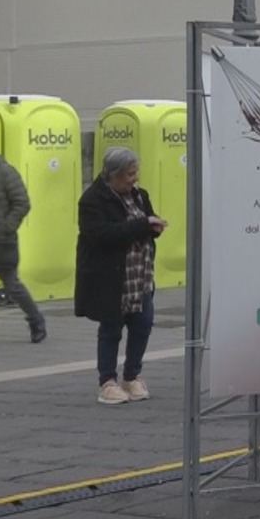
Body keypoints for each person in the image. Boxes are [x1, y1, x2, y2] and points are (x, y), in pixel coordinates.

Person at [75, 147, 164, 404]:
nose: (133, 179)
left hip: (141, 277)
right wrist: (143, 225)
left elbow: (143, 224)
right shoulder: (92, 200)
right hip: (112, 279)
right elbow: (103, 235)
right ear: (112, 175)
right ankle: (107, 382)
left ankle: (132, 376)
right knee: (111, 329)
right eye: (128, 174)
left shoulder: (139, 195)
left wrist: (154, 228)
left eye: (135, 173)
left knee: (143, 325)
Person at [0, 133, 45, 347]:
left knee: (13, 286)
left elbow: (22, 203)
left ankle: (36, 321)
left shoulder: (4, 171)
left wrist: (6, 227)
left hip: (0, 242)